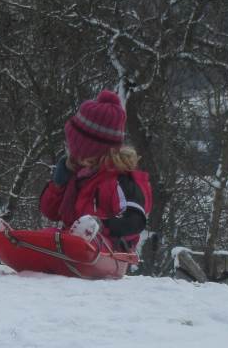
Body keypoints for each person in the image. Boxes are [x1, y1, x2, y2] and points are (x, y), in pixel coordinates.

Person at [38, 89, 152, 252]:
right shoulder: (77, 174)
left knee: (91, 243)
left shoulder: (120, 180)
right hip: (73, 242)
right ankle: (20, 244)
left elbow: (135, 221)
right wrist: (58, 184)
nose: (72, 152)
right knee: (49, 234)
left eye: (77, 148)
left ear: (92, 150)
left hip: (110, 248)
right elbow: (50, 212)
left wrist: (101, 225)